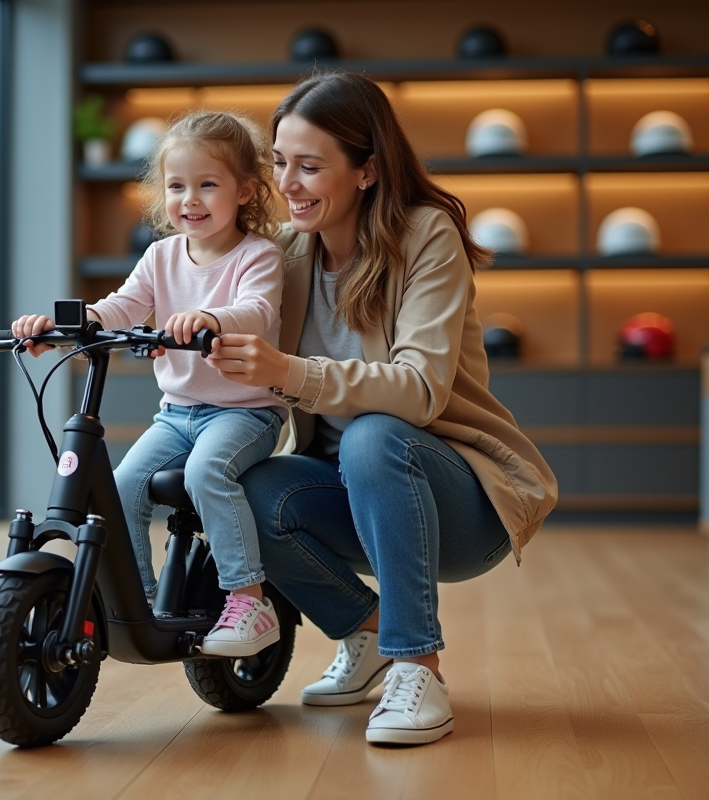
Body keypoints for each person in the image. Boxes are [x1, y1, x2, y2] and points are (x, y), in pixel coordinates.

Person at [204, 72, 559, 745]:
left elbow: (419, 390)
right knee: (239, 484)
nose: (288, 184)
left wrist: (288, 372)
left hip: (459, 503)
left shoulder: (427, 235)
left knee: (373, 437)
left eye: (310, 167)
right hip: (348, 493)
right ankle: (365, 633)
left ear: (366, 170)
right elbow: (191, 276)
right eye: (280, 163)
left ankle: (417, 665)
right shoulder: (284, 253)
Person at [12, 110, 286, 658]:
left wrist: (210, 318)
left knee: (208, 472)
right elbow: (121, 306)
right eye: (177, 186)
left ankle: (248, 600)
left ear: (245, 191)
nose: (191, 199)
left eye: (208, 185)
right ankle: (134, 600)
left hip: (245, 413)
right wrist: (67, 328)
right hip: (177, 414)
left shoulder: (258, 255)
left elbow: (257, 310)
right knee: (122, 486)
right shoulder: (160, 256)